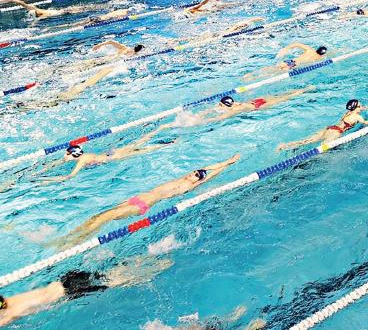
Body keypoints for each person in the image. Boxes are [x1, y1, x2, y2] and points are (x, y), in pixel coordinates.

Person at [57, 154, 239, 247]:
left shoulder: (189, 186)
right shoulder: (185, 178)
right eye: (194, 171)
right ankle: (69, 237)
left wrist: (228, 163)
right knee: (97, 216)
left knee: (104, 219)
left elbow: (210, 172)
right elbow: (205, 167)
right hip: (137, 198)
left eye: (197, 175)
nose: (193, 173)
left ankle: (74, 242)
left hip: (143, 204)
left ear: (199, 180)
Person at [0, 255, 172, 327]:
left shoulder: (9, 314)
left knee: (120, 280)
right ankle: (150, 259)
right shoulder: (8, 301)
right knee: (111, 275)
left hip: (71, 290)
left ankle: (159, 265)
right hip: (64, 280)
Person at [37, 127, 176, 183]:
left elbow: (69, 176)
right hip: (111, 153)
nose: (64, 157)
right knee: (140, 143)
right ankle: (160, 129)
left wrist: (47, 180)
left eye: (66, 155)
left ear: (72, 154)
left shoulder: (82, 160)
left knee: (145, 149)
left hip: (114, 156)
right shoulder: (83, 156)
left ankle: (168, 144)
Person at [165, 87, 313, 129]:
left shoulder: (232, 110)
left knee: (284, 98)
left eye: (221, 105)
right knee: (281, 95)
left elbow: (219, 117)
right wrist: (200, 114)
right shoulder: (232, 104)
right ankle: (300, 90)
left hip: (258, 106)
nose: (219, 105)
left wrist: (202, 122)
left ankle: (302, 91)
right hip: (255, 101)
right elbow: (212, 110)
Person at [276, 99, 368, 151]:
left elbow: (365, 108)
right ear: (356, 108)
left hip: (329, 128)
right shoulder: (357, 117)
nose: (362, 107)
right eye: (360, 106)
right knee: (322, 150)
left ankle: (284, 146)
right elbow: (367, 123)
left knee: (307, 141)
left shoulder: (349, 113)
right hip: (336, 133)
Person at [241, 43, 329, 81]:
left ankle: (250, 74)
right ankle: (255, 78)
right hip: (293, 65)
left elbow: (297, 43)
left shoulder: (310, 50)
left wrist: (286, 48)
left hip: (290, 61)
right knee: (273, 74)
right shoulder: (319, 58)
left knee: (272, 68)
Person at [10, 0, 100, 20]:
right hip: (67, 11)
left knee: (88, 8)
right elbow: (27, 6)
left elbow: (26, 5)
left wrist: (14, 1)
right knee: (88, 8)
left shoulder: (42, 14)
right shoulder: (42, 13)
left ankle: (100, 7)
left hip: (67, 11)